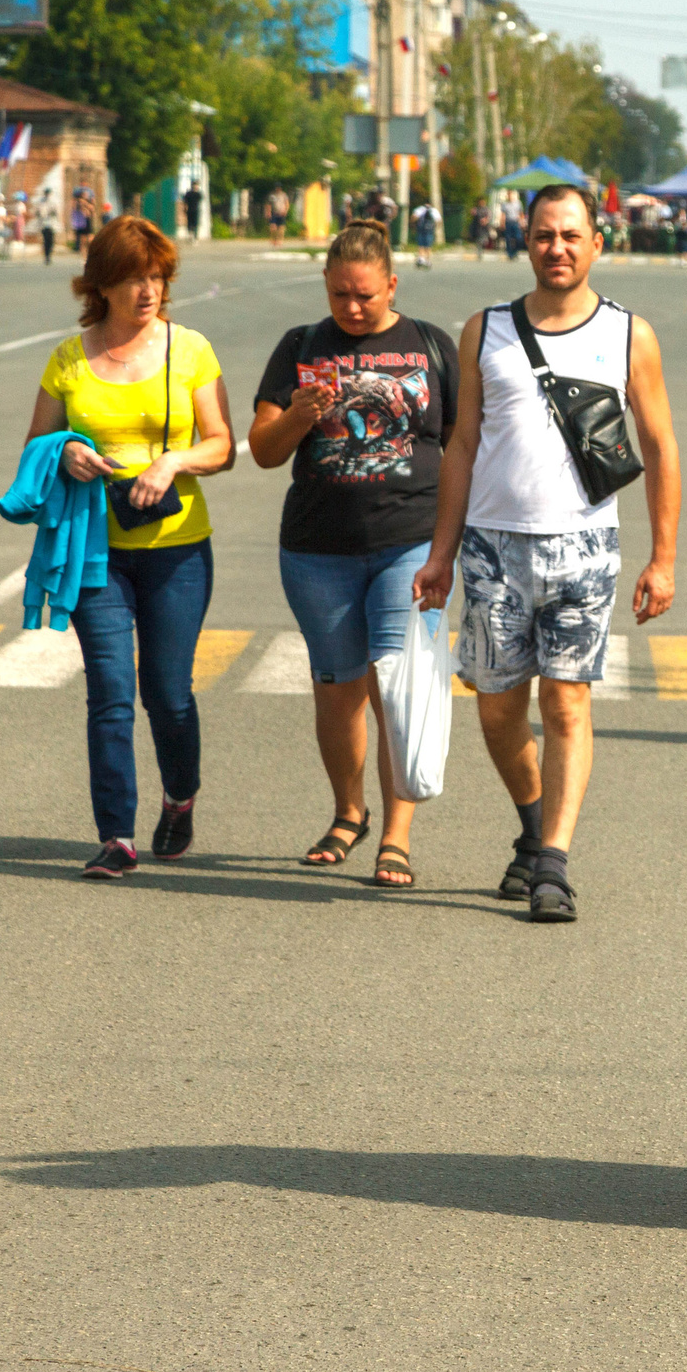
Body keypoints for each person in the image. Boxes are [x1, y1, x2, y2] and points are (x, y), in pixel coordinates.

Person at [413, 185, 683, 923]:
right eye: (542, 235)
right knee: (498, 709)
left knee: (566, 701)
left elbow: (660, 445)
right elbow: (462, 445)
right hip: (492, 547)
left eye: (570, 235)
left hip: (584, 548)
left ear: (597, 242)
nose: (556, 248)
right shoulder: (486, 330)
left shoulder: (628, 335)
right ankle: (533, 824)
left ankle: (553, 865)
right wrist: (441, 554)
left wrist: (663, 557)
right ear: (525, 241)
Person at [247, 220, 458, 890]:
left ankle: (396, 835)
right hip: (318, 550)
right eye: (340, 293)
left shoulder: (430, 345)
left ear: (392, 284)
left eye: (365, 294)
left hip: (410, 543)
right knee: (337, 689)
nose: (353, 306)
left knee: (396, 687)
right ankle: (349, 813)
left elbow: (463, 446)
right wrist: (298, 415)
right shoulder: (301, 347)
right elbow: (263, 450)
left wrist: (458, 542)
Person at [26, 216, 235, 880]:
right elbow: (36, 446)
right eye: (132, 279)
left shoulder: (190, 349)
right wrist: (68, 451)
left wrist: (172, 462)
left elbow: (222, 445)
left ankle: (180, 796)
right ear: (101, 286)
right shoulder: (69, 358)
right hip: (97, 550)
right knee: (110, 691)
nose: (148, 291)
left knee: (167, 693)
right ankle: (116, 834)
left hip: (178, 548)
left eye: (157, 277)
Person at [411, 197, 439, 267]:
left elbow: (414, 217)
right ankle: (427, 260)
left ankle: (421, 258)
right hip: (429, 230)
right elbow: (438, 221)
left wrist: (414, 226)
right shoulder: (434, 210)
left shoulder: (420, 209)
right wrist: (435, 228)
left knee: (421, 245)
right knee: (428, 246)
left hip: (421, 229)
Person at [35, 190, 58, 266]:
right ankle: (46, 256)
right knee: (45, 240)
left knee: (51, 241)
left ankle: (49, 255)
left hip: (51, 224)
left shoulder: (53, 202)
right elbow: (37, 212)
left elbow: (56, 212)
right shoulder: (41, 202)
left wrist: (51, 211)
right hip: (44, 224)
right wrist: (41, 213)